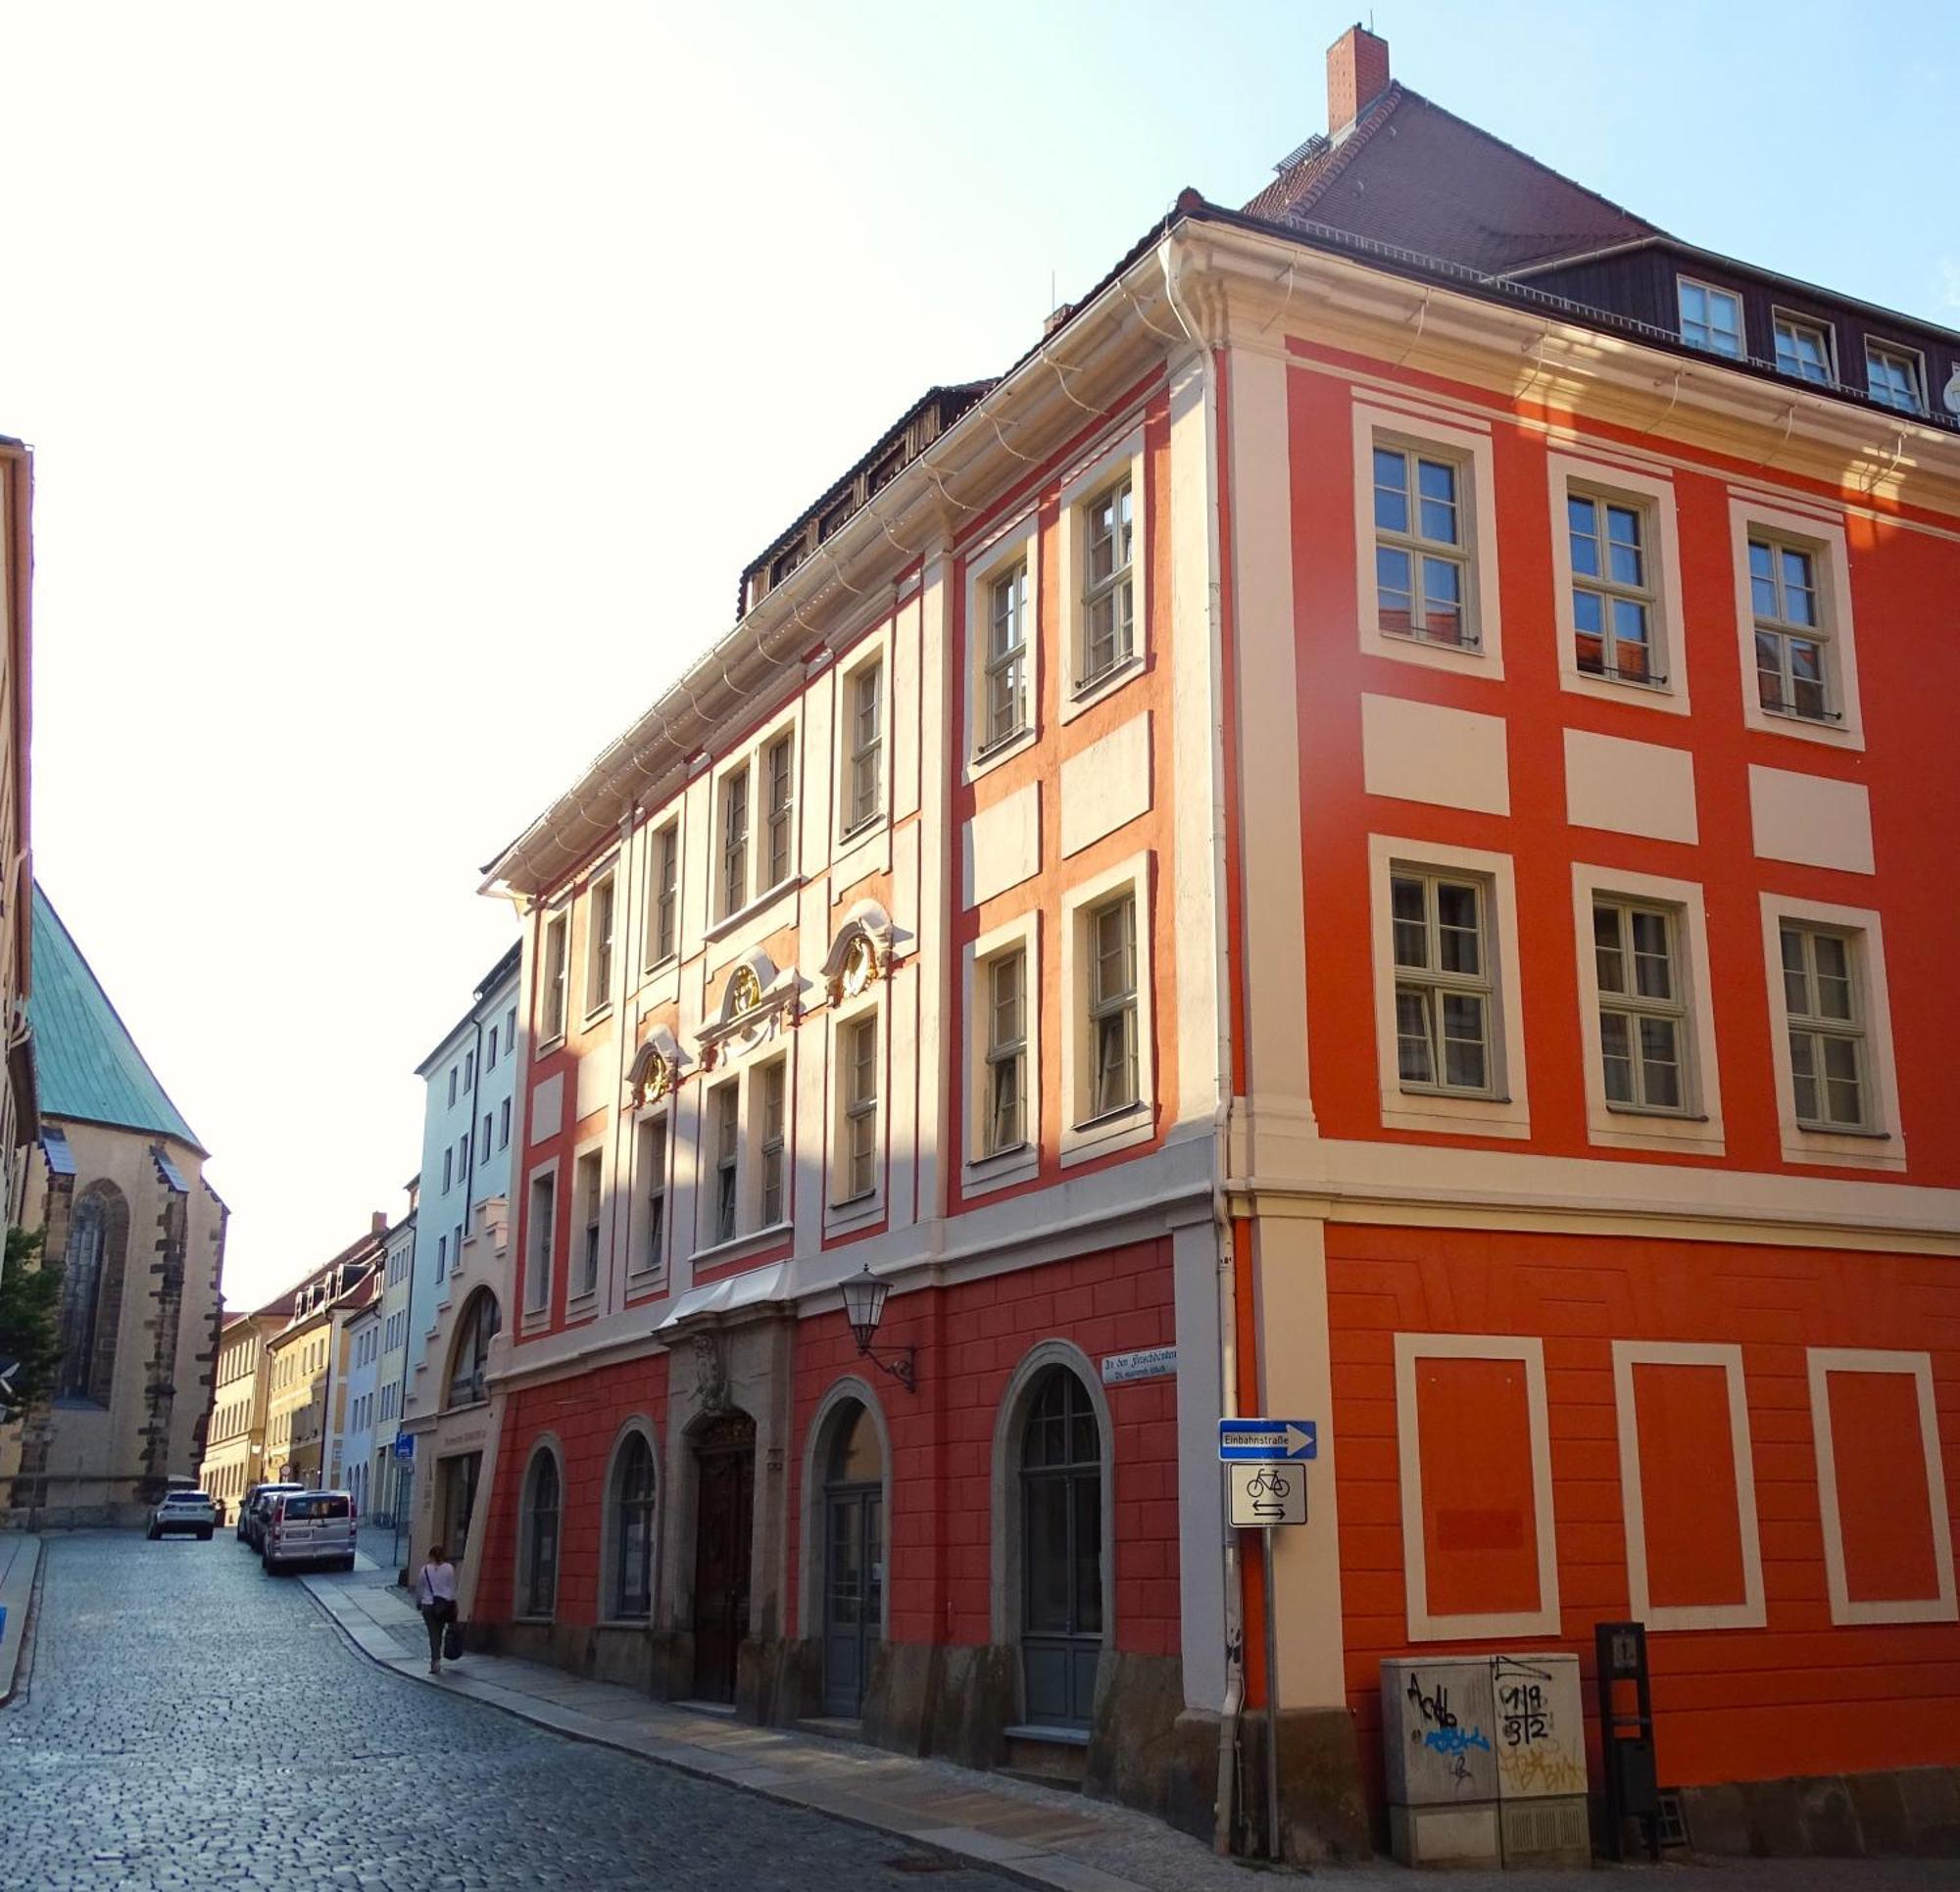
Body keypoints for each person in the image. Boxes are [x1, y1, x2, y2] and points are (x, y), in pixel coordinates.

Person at [416, 1543, 458, 1675]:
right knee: (440, 1631)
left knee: (433, 1633)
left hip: (428, 1604)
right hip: (444, 1604)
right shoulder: (449, 1568)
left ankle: (435, 1661)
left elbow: (420, 1589)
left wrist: (418, 1602)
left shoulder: (425, 1570)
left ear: (431, 1556)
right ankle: (438, 1655)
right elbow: (452, 1587)